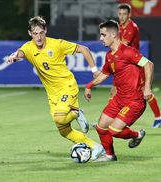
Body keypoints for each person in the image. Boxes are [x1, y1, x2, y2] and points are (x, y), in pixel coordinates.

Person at [8, 16, 104, 160]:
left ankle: (76, 113)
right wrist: (14, 56)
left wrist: (95, 70)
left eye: (41, 32)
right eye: (35, 33)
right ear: (30, 33)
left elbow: (84, 49)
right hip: (52, 94)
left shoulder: (57, 44)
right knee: (64, 131)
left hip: (67, 86)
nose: (39, 37)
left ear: (45, 30)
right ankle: (96, 147)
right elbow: (20, 53)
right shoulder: (28, 47)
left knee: (60, 118)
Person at [84, 20, 153, 162]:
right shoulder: (109, 56)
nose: (101, 38)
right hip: (119, 99)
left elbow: (148, 64)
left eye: (103, 35)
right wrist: (89, 86)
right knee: (101, 127)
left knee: (114, 131)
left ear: (113, 35)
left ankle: (137, 135)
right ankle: (110, 155)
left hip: (134, 101)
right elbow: (104, 74)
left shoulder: (128, 51)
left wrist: (147, 88)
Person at [116, 3, 161, 128]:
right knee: (115, 90)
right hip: (125, 65)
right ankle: (111, 117)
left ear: (129, 14)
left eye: (124, 14)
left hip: (136, 65)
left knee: (144, 92)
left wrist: (111, 39)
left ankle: (158, 117)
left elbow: (123, 44)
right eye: (120, 14)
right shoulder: (119, 27)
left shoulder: (132, 27)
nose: (122, 17)